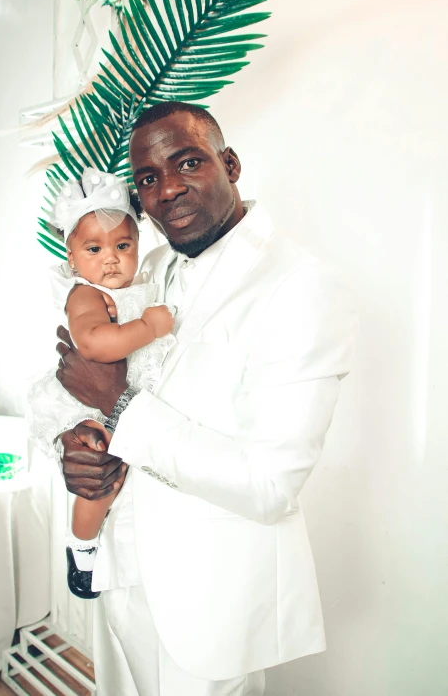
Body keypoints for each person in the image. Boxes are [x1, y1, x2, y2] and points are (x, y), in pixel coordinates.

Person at [35, 101, 358, 696]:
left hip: (210, 596)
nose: (169, 189)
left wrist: (120, 408)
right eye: (149, 179)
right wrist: (77, 440)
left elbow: (270, 485)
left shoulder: (301, 284)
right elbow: (88, 377)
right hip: (121, 571)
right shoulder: (144, 265)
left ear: (229, 164)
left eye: (187, 162)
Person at [27, 167, 174, 600]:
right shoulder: (85, 294)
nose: (110, 258)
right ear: (72, 257)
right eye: (94, 248)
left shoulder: (142, 285)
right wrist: (149, 326)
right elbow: (92, 344)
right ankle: (82, 548)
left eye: (123, 246)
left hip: (126, 399)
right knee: (102, 476)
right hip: (87, 405)